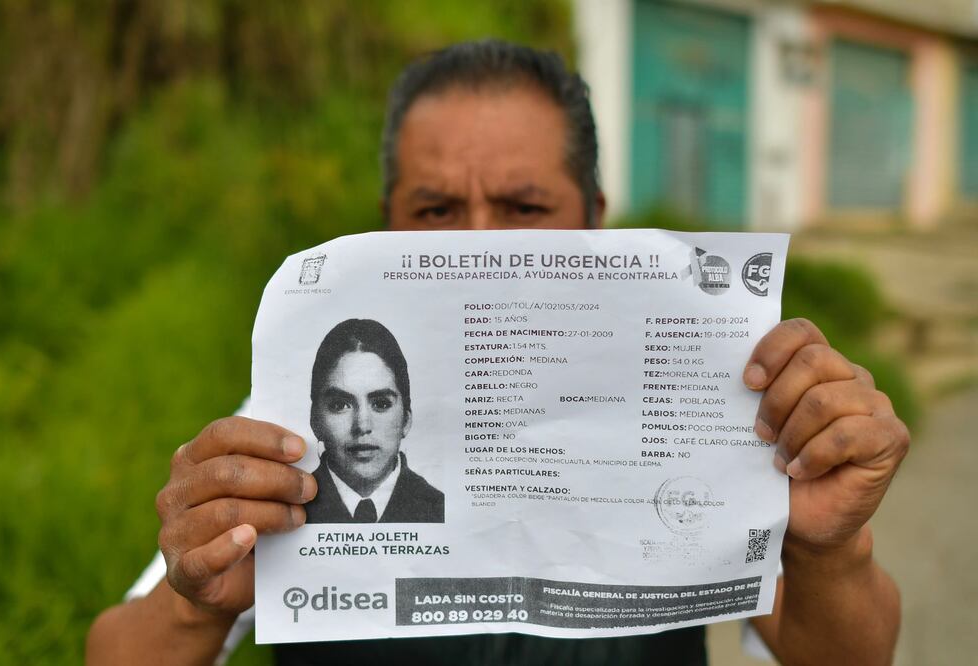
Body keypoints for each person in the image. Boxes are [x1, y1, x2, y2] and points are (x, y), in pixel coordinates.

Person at [87, 40, 908, 665]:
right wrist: (199, 602)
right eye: (438, 209)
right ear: (385, 226)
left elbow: (839, 655)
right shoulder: (295, 429)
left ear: (593, 217)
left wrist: (831, 550)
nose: (480, 246)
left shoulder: (700, 400)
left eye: (523, 205)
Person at [305, 318, 443, 524]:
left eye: (381, 404)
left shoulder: (441, 510)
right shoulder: (287, 510)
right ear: (315, 420)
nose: (362, 425)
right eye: (339, 405)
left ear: (406, 419)